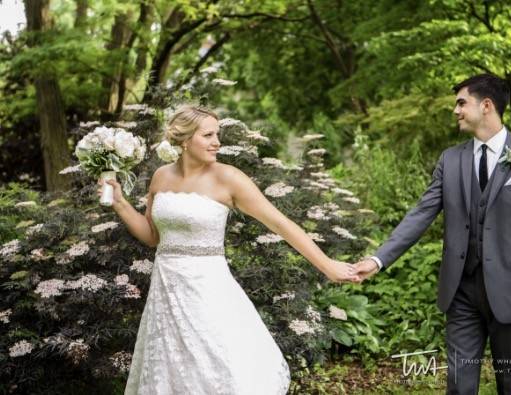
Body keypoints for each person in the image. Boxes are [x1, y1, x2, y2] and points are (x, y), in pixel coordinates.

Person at [97, 104, 360, 394]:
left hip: (209, 292)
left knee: (221, 368)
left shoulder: (229, 178)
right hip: (166, 292)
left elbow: (283, 225)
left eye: (217, 134)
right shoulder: (161, 176)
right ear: (184, 140)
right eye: (208, 135)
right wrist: (120, 203)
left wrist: (328, 266)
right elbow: (152, 237)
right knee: (171, 371)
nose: (217, 142)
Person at [353, 74, 511, 394]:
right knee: (459, 386)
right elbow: (422, 213)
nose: (456, 110)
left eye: (461, 103)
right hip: (461, 292)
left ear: (487, 106)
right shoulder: (450, 159)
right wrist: (378, 259)